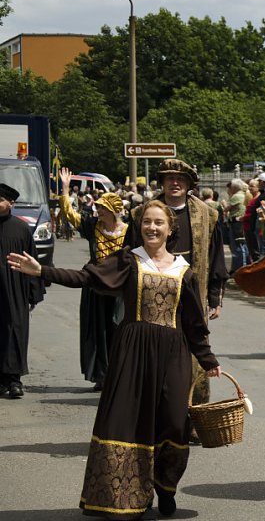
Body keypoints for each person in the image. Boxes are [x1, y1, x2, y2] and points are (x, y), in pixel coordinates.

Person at [8, 200, 222, 518]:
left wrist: (207, 360)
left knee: (175, 423)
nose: (152, 227)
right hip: (133, 351)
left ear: (170, 228)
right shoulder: (128, 260)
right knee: (126, 421)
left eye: (158, 223)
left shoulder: (183, 270)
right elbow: (86, 278)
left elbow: (192, 322)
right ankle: (124, 495)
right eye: (147, 222)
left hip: (173, 354)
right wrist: (42, 271)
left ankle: (165, 487)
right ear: (139, 227)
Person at [125, 159, 227, 410]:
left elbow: (216, 259)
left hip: (190, 296)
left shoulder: (208, 214)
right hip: (152, 298)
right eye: (169, 178)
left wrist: (215, 297)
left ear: (189, 184)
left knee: (194, 357)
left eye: (180, 179)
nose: (174, 183)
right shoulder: (142, 214)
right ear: (162, 183)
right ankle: (153, 417)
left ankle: (193, 417)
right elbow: (129, 256)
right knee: (154, 360)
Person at [58, 167, 128, 391]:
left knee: (119, 329)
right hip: (96, 287)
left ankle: (120, 375)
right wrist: (65, 189)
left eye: (103, 209)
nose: (98, 211)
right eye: (98, 208)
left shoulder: (129, 231)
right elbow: (69, 214)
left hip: (120, 288)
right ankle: (101, 375)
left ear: (114, 211)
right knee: (98, 330)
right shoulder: (92, 226)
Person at [0, 183, 45, 399]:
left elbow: (32, 261)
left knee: (15, 332)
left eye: (0, 200)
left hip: (15, 289)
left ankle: (14, 380)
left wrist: (33, 292)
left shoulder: (21, 229)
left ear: (11, 203)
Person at [223, 178, 250, 274]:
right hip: (239, 222)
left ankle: (239, 268)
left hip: (236, 222)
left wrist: (224, 203)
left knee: (237, 246)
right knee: (241, 245)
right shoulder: (243, 195)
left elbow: (226, 209)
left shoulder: (236, 196)